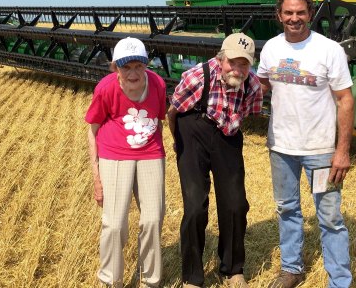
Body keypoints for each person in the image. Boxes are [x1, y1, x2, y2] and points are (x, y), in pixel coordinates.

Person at [256, 0, 354, 288]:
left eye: (300, 12)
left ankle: (339, 280)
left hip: (321, 149)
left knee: (329, 217)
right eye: (288, 13)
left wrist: (342, 151)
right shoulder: (271, 48)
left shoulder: (328, 50)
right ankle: (292, 269)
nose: (294, 18)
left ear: (310, 14)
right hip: (281, 147)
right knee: (287, 209)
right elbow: (261, 86)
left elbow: (345, 100)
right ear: (279, 15)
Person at [167, 33, 263, 288]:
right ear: (221, 58)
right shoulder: (197, 77)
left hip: (228, 136)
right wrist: (179, 143)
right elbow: (173, 111)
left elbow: (248, 114)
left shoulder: (252, 85)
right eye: (233, 62)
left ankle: (233, 269)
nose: (238, 69)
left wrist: (226, 131)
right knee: (195, 205)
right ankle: (192, 277)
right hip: (193, 130)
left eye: (245, 64)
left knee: (235, 204)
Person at [86, 37, 167, 288]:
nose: (133, 73)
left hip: (150, 153)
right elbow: (92, 129)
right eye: (125, 67)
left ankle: (150, 282)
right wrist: (96, 176)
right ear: (115, 68)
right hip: (114, 154)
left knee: (153, 220)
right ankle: (111, 281)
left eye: (138, 66)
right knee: (114, 222)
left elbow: (160, 118)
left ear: (146, 65)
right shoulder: (106, 88)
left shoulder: (158, 84)